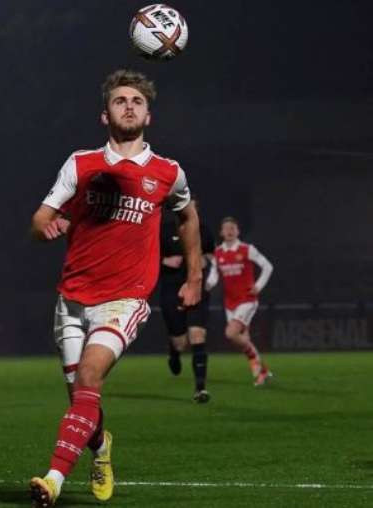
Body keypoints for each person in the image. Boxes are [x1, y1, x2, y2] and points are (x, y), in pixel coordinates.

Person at [29, 69, 202, 506]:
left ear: (149, 115)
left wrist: (195, 276)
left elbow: (189, 218)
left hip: (125, 299)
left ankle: (53, 479)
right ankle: (101, 448)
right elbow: (39, 219)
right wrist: (48, 226)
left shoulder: (168, 172)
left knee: (89, 376)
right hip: (71, 299)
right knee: (80, 400)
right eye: (120, 100)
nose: (129, 106)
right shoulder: (81, 163)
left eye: (137, 101)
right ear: (105, 115)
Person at [206, 216, 274, 386]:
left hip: (247, 299)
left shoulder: (247, 249)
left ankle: (262, 369)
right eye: (226, 228)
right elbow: (214, 277)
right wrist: (205, 286)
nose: (229, 231)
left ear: (238, 231)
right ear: (221, 232)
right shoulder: (218, 253)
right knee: (243, 339)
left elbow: (267, 266)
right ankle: (262, 372)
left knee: (231, 333)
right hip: (230, 303)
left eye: (232, 228)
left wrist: (258, 285)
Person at [159, 202, 215, 402]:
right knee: (181, 342)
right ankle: (174, 351)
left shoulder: (203, 230)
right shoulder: (163, 229)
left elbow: (211, 254)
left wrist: (206, 261)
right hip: (171, 289)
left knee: (197, 335)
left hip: (194, 286)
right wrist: (164, 261)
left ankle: (200, 389)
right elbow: (146, 255)